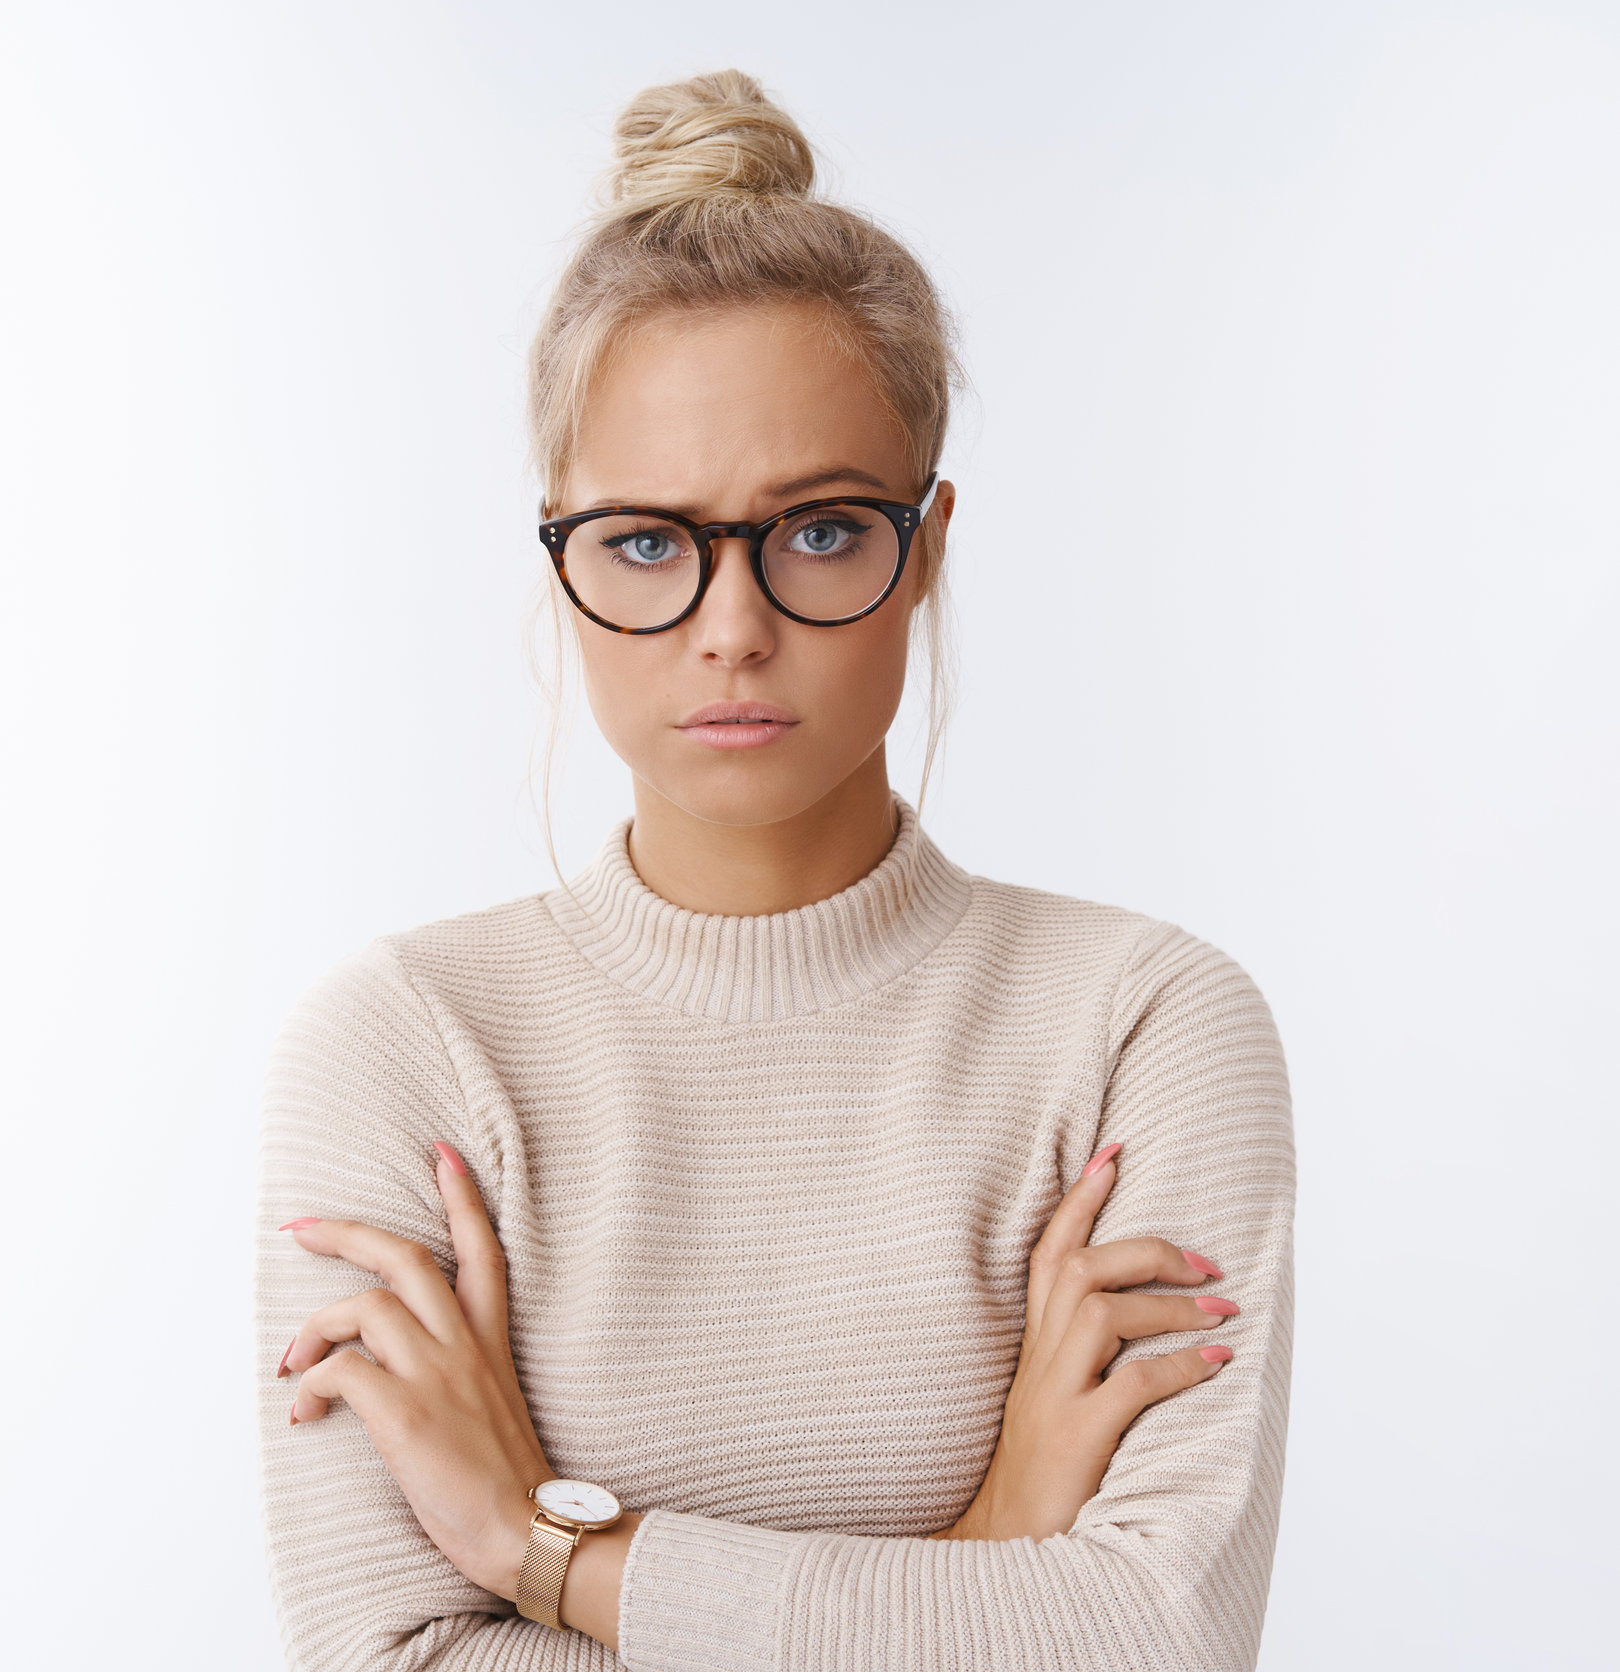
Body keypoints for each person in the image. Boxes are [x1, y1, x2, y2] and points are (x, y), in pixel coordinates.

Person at [255, 70, 1293, 1672]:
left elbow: (1154, 1644)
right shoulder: (406, 1049)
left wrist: (549, 1550)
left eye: (816, 531)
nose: (731, 625)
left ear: (926, 547)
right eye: (650, 543)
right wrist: (992, 1557)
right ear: (560, 548)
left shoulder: (1141, 1027)